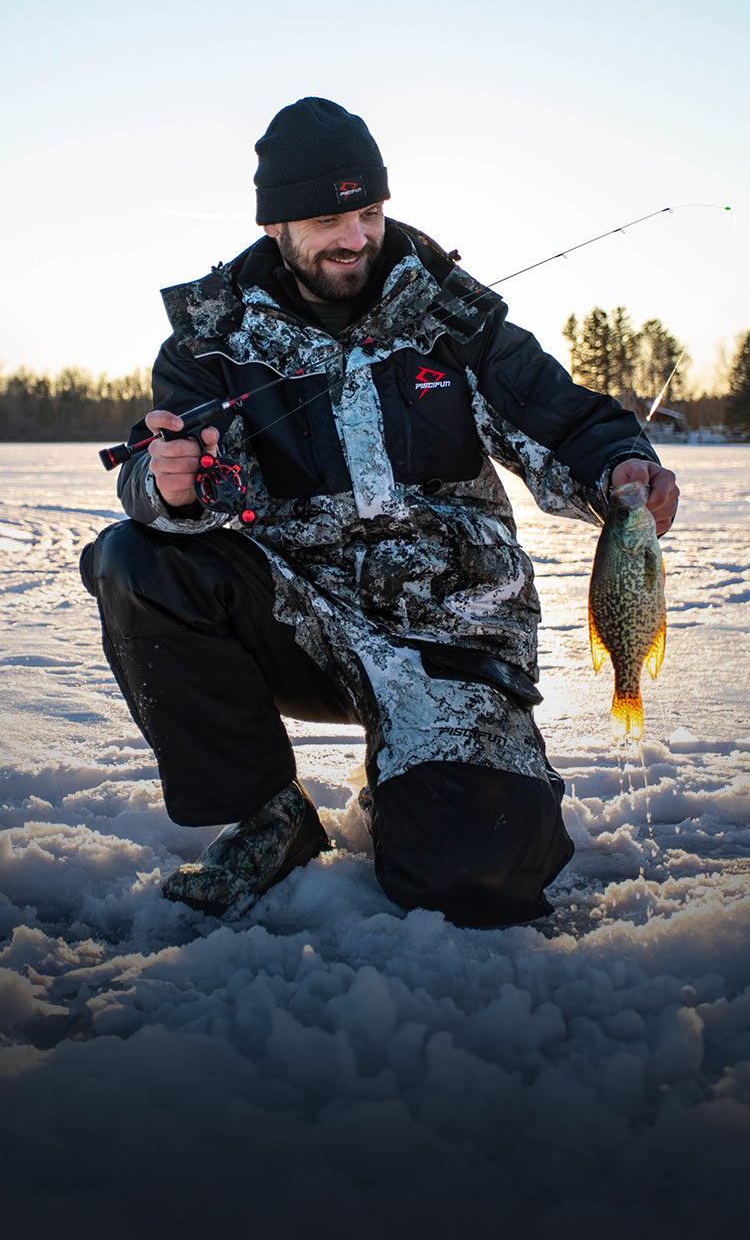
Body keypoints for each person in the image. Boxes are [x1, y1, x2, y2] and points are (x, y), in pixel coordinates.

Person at [81, 97, 679, 927]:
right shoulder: (209, 341)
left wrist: (624, 468)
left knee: (477, 880)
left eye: (368, 210)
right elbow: (155, 467)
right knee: (133, 559)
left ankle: (420, 777)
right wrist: (167, 482)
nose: (356, 236)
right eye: (329, 217)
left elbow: (566, 418)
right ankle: (269, 815)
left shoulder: (452, 316)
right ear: (276, 225)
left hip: (453, 629)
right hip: (303, 619)